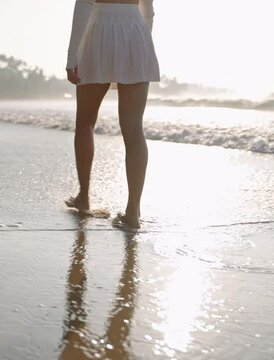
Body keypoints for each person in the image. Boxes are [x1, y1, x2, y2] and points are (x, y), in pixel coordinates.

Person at [65, 0, 160, 229]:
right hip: (136, 33)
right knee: (134, 128)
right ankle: (132, 212)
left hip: (99, 33)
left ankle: (84, 198)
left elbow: (83, 6)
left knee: (85, 122)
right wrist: (141, 40)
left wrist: (71, 59)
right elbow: (148, 11)